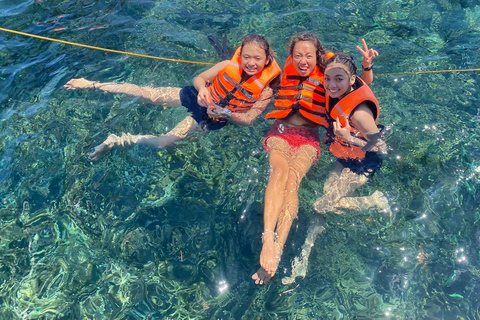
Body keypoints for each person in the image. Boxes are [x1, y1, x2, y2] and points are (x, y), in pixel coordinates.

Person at [252, 33, 378, 285]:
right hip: (280, 131)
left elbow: (360, 84)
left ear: (317, 56)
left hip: (309, 138)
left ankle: (278, 247)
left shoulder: (328, 77)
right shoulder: (287, 71)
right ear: (291, 55)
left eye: (309, 55)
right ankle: (268, 241)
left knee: (293, 181)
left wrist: (367, 65)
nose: (302, 60)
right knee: (279, 173)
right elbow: (256, 70)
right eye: (297, 55)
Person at [64, 35, 281, 160]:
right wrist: (203, 89)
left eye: (257, 59)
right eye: (246, 57)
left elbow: (250, 118)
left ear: (266, 59)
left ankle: (119, 140)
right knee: (145, 93)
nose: (251, 63)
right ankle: (91, 83)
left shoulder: (266, 90)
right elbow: (199, 78)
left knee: (165, 142)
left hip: (211, 118)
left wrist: (226, 113)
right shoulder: (227, 65)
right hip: (197, 96)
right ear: (240, 55)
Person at [313, 52, 391, 216]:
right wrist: (367, 65)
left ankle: (375, 200)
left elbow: (382, 147)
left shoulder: (359, 115)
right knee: (327, 191)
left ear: (352, 79)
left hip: (364, 161)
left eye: (339, 79)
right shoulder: (343, 90)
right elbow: (367, 81)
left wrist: (348, 138)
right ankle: (373, 201)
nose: (331, 85)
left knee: (321, 206)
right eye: (327, 78)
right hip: (346, 153)